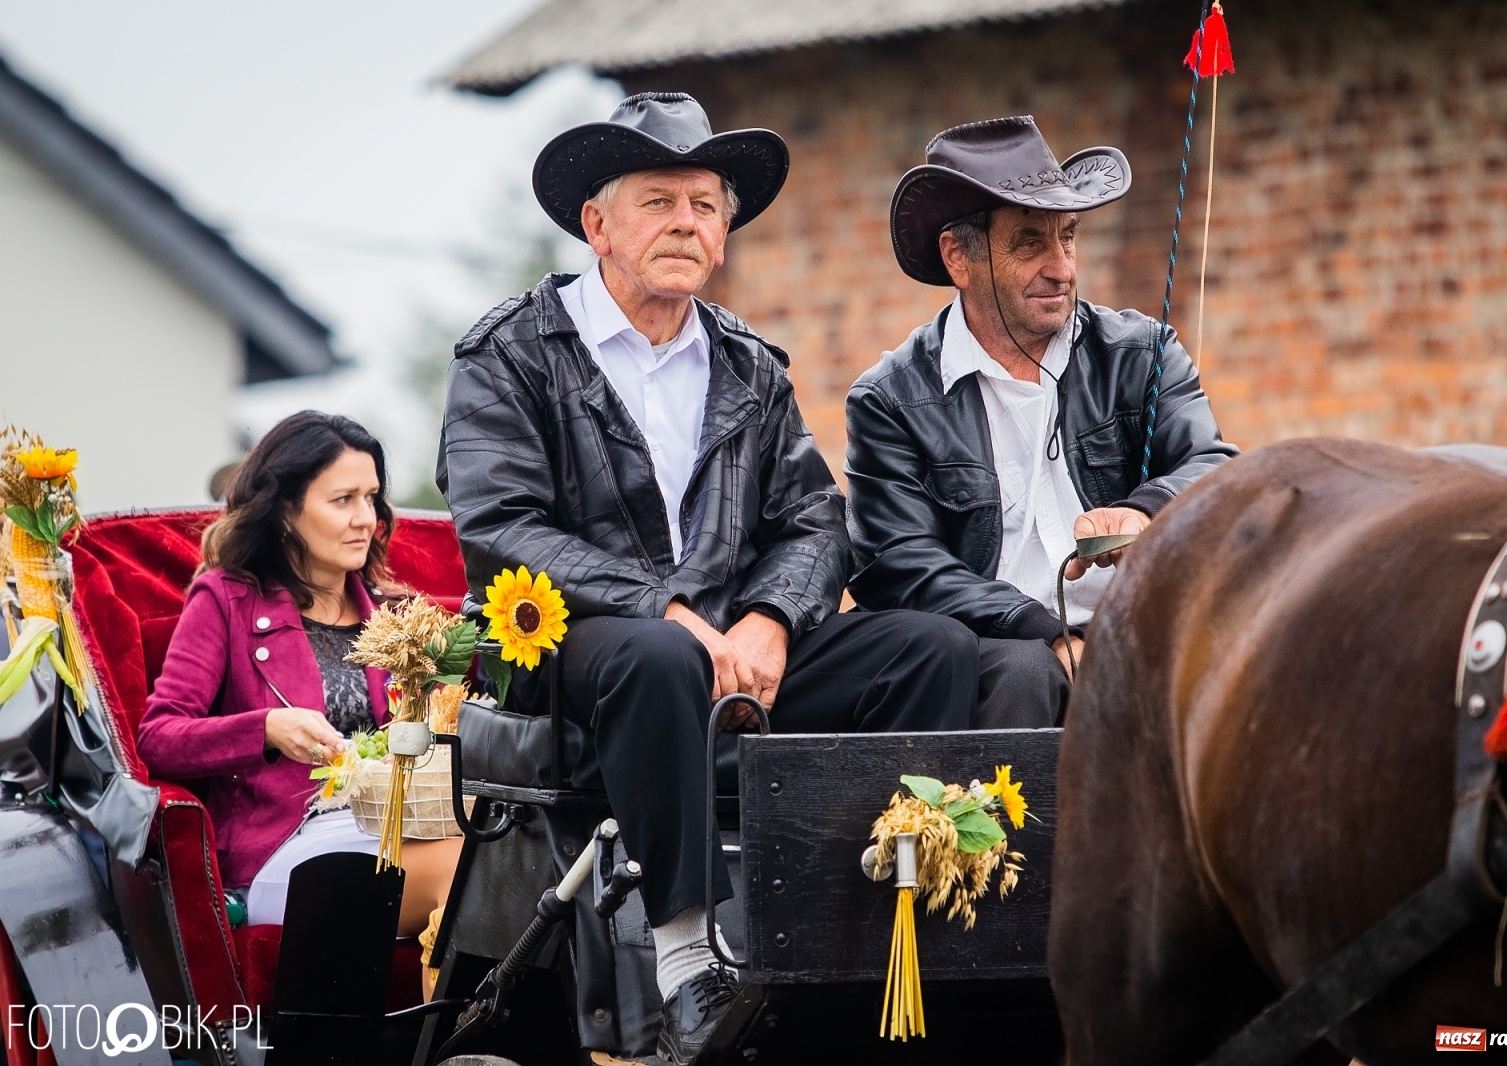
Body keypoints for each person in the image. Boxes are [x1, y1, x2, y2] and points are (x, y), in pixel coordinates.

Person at [438, 93, 978, 1064]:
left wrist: (772, 616)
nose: (685, 223)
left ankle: (877, 933)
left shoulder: (751, 366)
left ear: (724, 234)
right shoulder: (510, 349)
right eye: (658, 201)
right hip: (573, 650)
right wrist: (669, 610)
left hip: (736, 657)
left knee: (929, 647)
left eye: (704, 205)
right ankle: (687, 965)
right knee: (656, 658)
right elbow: (500, 526)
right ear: (596, 225)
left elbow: (816, 517)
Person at [845, 116, 1237, 728]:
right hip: (995, 641)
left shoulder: (1140, 353)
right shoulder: (890, 398)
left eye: (1069, 236)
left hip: (1137, 622)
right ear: (959, 257)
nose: (1063, 267)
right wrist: (1045, 631)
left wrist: (1144, 508)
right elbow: (898, 562)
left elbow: (1215, 467)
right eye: (1030, 243)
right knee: (1024, 673)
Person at [137, 412, 461, 936]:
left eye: (371, 497)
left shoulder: (400, 616)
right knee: (462, 869)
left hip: (401, 828)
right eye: (343, 500)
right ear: (287, 511)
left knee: (502, 858)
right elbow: (159, 737)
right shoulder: (226, 598)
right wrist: (265, 729)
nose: (366, 518)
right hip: (283, 850)